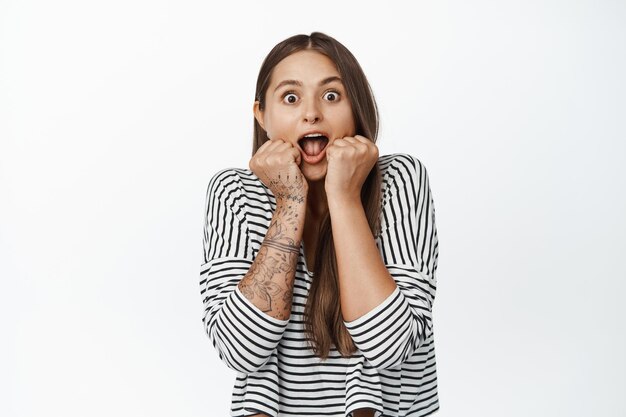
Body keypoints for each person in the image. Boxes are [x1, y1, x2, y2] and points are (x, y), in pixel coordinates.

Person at [199, 32, 440, 417]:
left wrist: (344, 197)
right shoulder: (233, 192)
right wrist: (290, 202)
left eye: (331, 96)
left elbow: (390, 346)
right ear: (262, 115)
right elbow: (239, 350)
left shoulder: (401, 179)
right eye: (291, 98)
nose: (311, 113)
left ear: (357, 108)